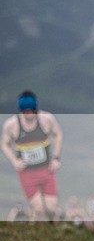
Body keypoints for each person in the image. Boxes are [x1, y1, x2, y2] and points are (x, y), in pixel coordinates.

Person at [1, 91, 63, 222]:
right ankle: (42, 236)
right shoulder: (12, 125)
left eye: (32, 111)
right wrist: (14, 161)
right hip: (27, 173)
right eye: (26, 112)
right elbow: (5, 144)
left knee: (51, 208)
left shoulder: (46, 119)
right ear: (21, 111)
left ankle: (58, 232)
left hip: (46, 169)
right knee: (39, 209)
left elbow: (58, 134)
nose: (29, 115)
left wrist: (56, 158)